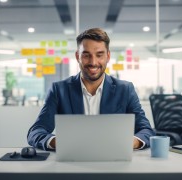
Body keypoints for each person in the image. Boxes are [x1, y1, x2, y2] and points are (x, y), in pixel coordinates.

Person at [27, 28, 155, 151]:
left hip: (114, 162)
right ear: (78, 56)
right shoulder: (59, 90)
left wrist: (132, 142)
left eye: (99, 55)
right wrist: (58, 142)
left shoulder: (125, 90)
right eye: (86, 55)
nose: (93, 62)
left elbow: (146, 131)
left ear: (108, 56)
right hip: (72, 162)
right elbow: (35, 132)